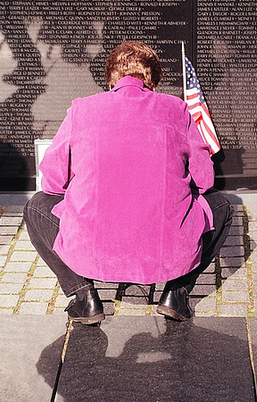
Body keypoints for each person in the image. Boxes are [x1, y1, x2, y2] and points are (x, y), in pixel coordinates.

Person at [23, 41, 233, 324]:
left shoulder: (82, 110)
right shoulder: (178, 110)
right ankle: (177, 294)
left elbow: (52, 182)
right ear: (154, 78)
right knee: (221, 206)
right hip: (164, 248)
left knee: (36, 206)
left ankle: (84, 297)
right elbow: (205, 180)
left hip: (93, 247)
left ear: (111, 77)